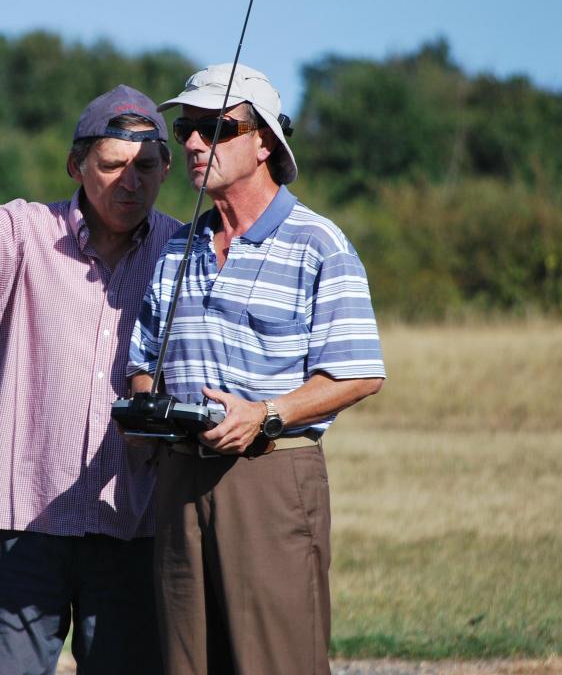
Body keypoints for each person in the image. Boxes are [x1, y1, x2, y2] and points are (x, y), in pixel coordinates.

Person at [0, 84, 178, 675]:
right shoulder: (24, 229)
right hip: (23, 518)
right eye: (112, 165)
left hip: (137, 517)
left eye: (146, 166)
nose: (131, 181)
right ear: (76, 165)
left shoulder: (185, 249)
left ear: (167, 168)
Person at [127, 63, 386, 675]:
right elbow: (143, 361)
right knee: (184, 663)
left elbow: (359, 373)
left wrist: (265, 414)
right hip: (178, 480)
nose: (192, 142)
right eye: (186, 128)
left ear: (264, 140)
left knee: (275, 662)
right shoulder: (176, 247)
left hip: (270, 476)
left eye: (215, 127)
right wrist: (146, 406)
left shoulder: (318, 243)